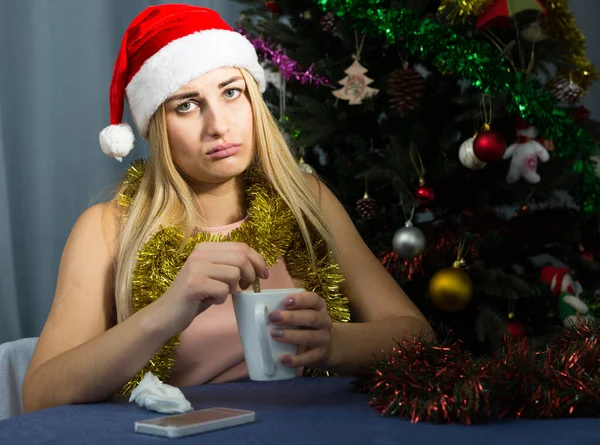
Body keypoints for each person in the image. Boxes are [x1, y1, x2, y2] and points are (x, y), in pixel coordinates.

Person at [22, 4, 433, 412]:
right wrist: (168, 311)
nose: (218, 125)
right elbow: (40, 393)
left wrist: (331, 343)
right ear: (157, 127)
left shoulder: (308, 200)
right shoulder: (107, 228)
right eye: (186, 104)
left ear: (253, 99)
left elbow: (418, 337)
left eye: (231, 92)